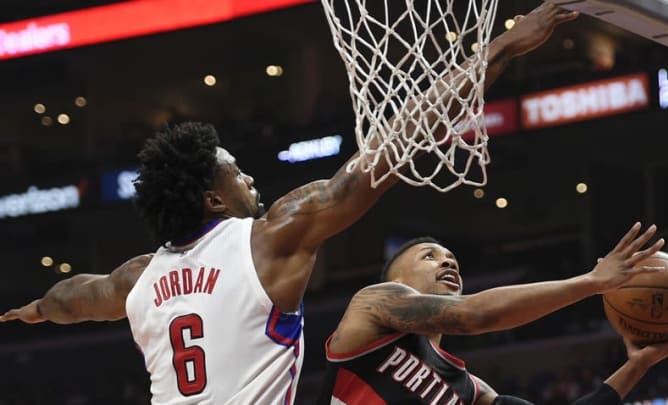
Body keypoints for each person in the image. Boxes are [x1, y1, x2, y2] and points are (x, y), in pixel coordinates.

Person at [0, 3, 579, 404]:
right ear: (212, 198)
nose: (248, 175)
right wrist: (500, 48)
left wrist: (34, 311)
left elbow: (71, 298)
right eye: (234, 170)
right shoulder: (270, 236)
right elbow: (394, 145)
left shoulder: (136, 279)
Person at [317, 227, 668, 405]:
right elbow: (473, 315)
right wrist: (591, 282)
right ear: (396, 279)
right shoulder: (373, 306)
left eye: (451, 257)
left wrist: (637, 365)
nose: (447, 260)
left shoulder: (472, 391)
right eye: (429, 255)